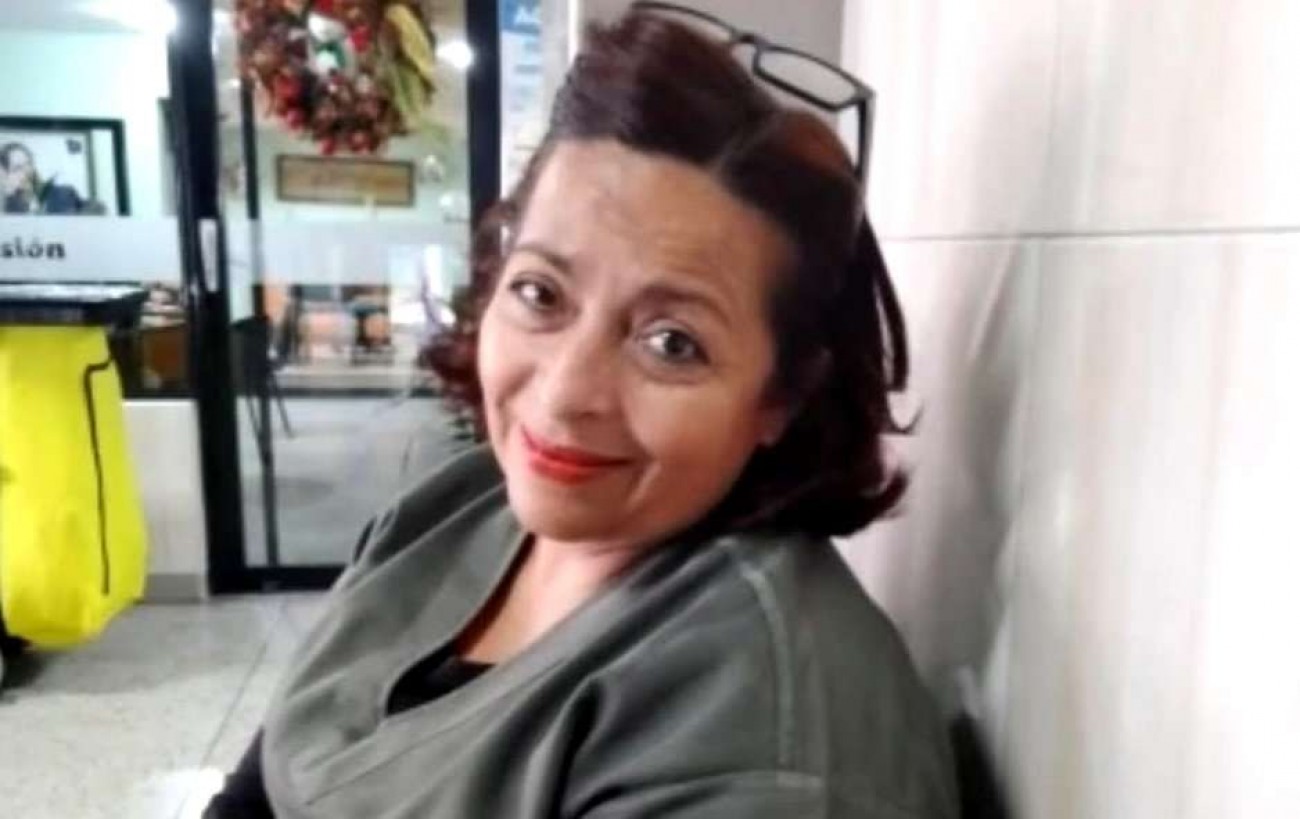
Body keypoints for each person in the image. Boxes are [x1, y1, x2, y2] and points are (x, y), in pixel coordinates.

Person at [206, 8, 958, 818]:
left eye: (671, 343)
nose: (566, 390)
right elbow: (267, 779)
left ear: (783, 395)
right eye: (541, 293)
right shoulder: (455, 506)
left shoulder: (770, 745)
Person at [1, 141, 88, 215]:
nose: (27, 171)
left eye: (29, 163)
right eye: (18, 168)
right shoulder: (9, 208)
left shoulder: (65, 194)